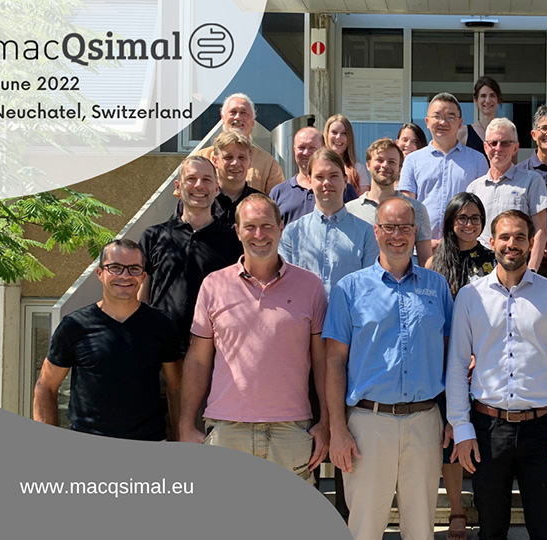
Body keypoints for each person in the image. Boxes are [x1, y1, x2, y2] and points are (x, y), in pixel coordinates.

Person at [324, 197, 453, 540]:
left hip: (424, 422)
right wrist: (337, 428)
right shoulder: (349, 289)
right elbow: (334, 362)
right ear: (376, 231)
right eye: (389, 227)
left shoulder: (436, 286)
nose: (397, 235)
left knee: (421, 529)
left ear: (415, 233)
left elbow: (450, 354)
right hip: (368, 424)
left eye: (405, 228)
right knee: (364, 528)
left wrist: (453, 416)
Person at [447, 209, 547, 540]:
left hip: (543, 432)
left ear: (532, 242)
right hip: (488, 430)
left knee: (545, 528)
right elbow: (458, 365)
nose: (512, 244)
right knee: (491, 529)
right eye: (504, 237)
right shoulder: (470, 296)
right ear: (491, 242)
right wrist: (461, 428)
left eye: (520, 237)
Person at [179, 194, 329, 482]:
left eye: (266, 225)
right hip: (227, 430)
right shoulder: (213, 285)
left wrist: (327, 422)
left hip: (291, 430)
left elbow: (322, 361)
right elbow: (197, 361)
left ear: (281, 227)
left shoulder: (310, 286)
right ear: (237, 231)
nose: (259, 235)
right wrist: (186, 424)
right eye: (250, 226)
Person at [33, 239, 181, 441]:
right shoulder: (74, 326)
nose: (125, 276)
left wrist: (182, 437)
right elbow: (46, 386)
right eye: (115, 268)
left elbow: (177, 388)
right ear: (100, 273)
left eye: (134, 269)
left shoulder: (162, 326)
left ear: (143, 276)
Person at [426, 191, 494, 540]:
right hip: (445, 363)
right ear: (451, 221)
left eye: (475, 218)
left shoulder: (493, 261)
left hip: (486, 362)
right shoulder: (434, 263)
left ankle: (487, 505)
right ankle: (456, 509)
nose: (468, 224)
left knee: (480, 436)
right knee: (450, 442)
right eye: (462, 218)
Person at [139, 156, 242, 359]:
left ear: (216, 188)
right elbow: (141, 295)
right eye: (191, 179)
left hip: (214, 351)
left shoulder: (233, 241)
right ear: (178, 186)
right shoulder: (153, 236)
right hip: (160, 349)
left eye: (206, 180)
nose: (199, 186)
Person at [279, 147, 379, 296]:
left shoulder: (366, 233)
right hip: (305, 317)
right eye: (319, 177)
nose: (327, 182)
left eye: (334, 176)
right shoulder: (293, 233)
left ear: (345, 181)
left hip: (349, 317)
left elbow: (369, 289)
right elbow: (285, 285)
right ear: (309, 181)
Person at [400, 93, 489, 241]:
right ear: (427, 122)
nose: (443, 122)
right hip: (422, 247)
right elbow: (407, 205)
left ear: (460, 123)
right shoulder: (412, 160)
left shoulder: (478, 160)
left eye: (450, 117)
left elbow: (482, 206)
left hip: (463, 247)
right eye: (437, 116)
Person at [465, 118, 547, 272]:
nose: (498, 148)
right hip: (480, 269)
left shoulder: (531, 181)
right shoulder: (474, 188)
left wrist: (531, 271)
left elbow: (540, 230)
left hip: (518, 267)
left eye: (505, 143)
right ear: (485, 147)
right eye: (493, 143)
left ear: (515, 148)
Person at [346, 138, 433, 266]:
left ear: (399, 169)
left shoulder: (416, 209)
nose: (385, 165)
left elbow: (425, 261)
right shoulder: (350, 210)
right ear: (368, 165)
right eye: (380, 160)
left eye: (392, 162)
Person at [197, 93, 285, 195]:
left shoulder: (269, 164)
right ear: (223, 118)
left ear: (252, 121)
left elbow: (276, 201)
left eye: (244, 113)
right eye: (232, 112)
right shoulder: (201, 158)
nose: (238, 117)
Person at [269, 126, 357, 225]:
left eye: (312, 148)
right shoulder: (279, 192)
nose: (306, 152)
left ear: (323, 149)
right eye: (301, 147)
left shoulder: (343, 189)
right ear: (294, 149)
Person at [191, 130, 262, 228]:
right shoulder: (196, 200)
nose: (235, 163)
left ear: (250, 162)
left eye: (242, 157)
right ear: (215, 161)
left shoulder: (261, 203)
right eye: (228, 157)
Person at [324, 114, 370, 195]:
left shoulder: (358, 169)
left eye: (344, 133)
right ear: (327, 134)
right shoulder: (316, 166)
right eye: (334, 132)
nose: (338, 137)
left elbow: (363, 204)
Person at [458, 76, 503, 157]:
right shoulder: (464, 133)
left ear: (498, 99)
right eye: (483, 96)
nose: (488, 100)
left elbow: (512, 166)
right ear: (475, 100)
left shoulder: (507, 132)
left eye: (492, 95)